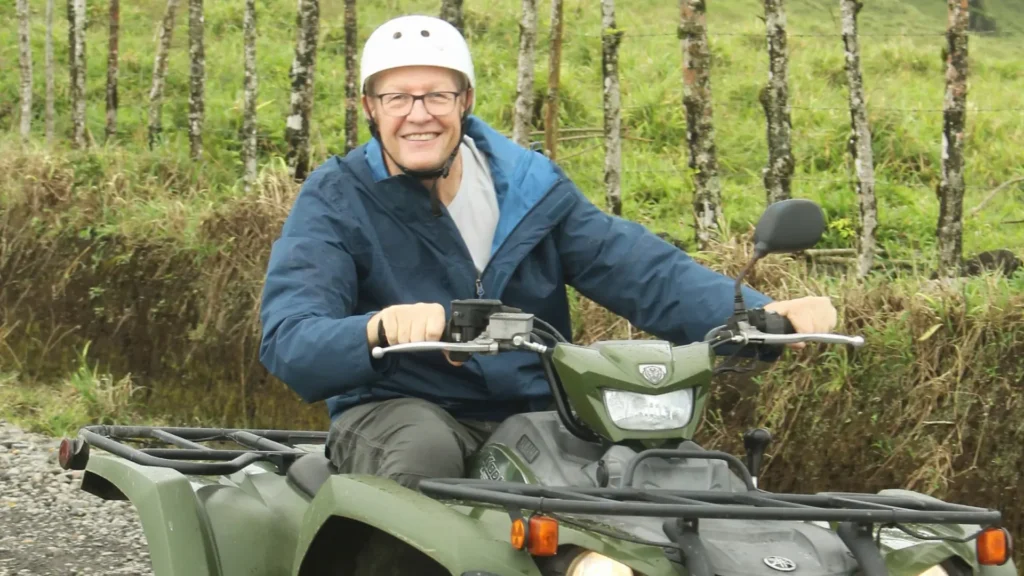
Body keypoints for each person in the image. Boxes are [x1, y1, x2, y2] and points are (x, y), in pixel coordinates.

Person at [258, 15, 837, 489]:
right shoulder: (338, 198)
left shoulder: (530, 187)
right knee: (423, 456)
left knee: (658, 473)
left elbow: (640, 269)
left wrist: (764, 314)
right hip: (398, 406)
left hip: (536, 410)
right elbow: (291, 339)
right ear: (369, 107)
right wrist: (377, 330)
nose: (417, 114)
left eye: (436, 95)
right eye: (397, 97)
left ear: (465, 100)